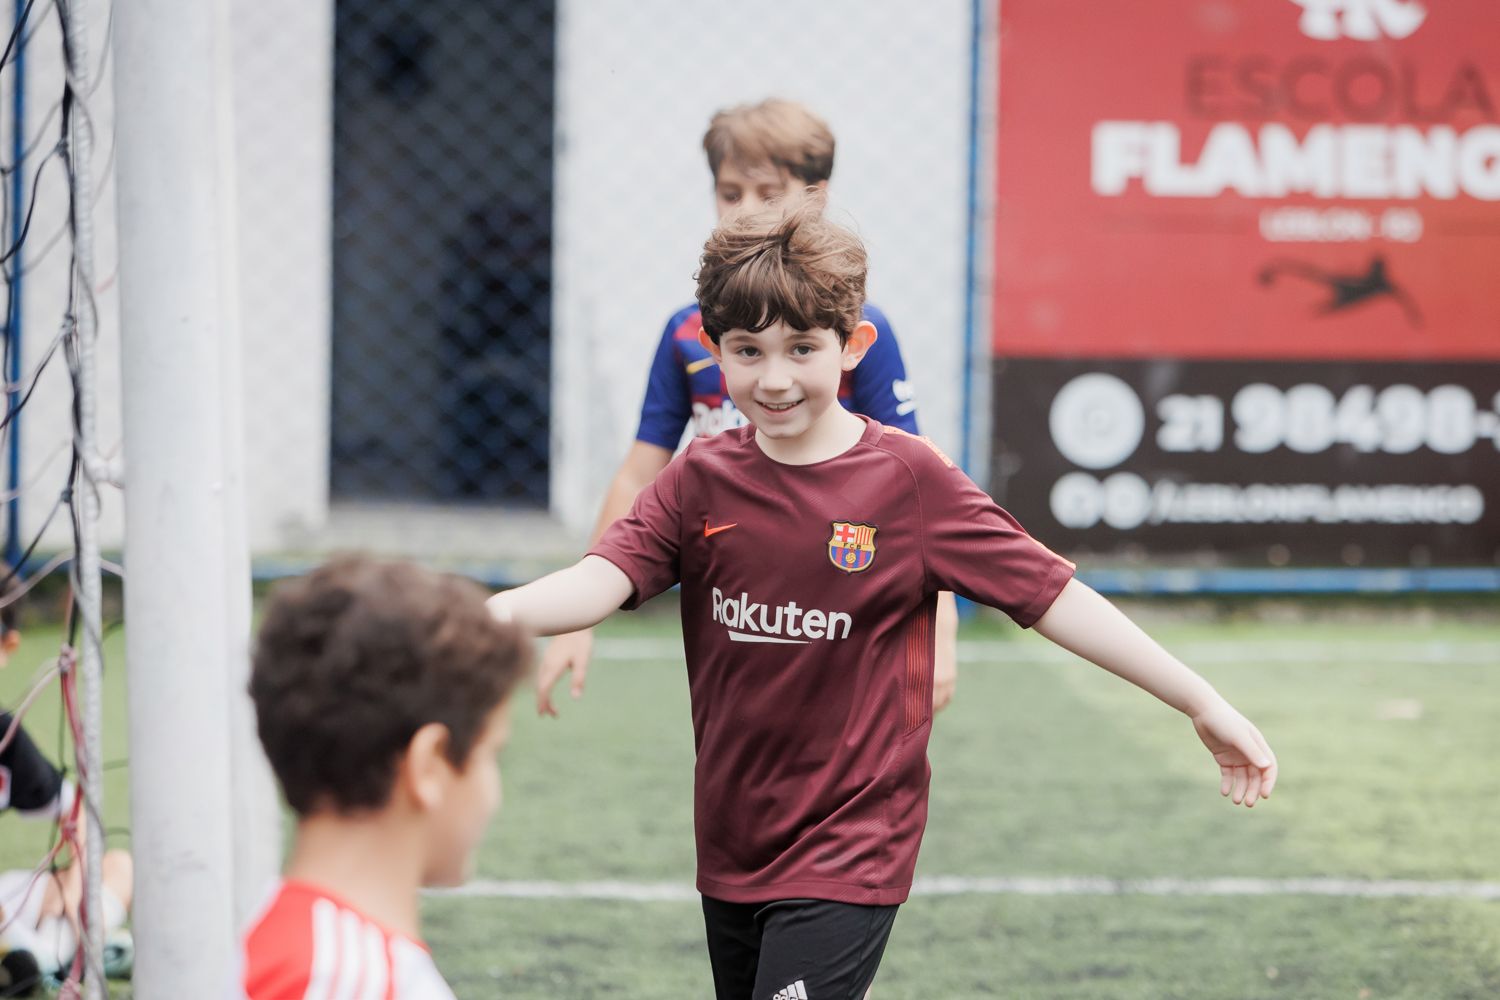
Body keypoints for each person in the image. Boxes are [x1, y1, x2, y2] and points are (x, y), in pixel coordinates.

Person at [488, 196, 1278, 1000]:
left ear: (852, 345)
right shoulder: (700, 477)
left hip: (851, 844)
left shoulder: (908, 480)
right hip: (730, 839)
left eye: (802, 348)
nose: (774, 377)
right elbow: (599, 579)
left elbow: (1050, 594)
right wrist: (476, 615)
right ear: (713, 351)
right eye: (747, 350)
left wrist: (1198, 700)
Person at [538, 98, 959, 718]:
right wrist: (580, 618)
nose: (746, 210)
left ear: (815, 196)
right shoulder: (688, 335)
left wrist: (940, 634)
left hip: (838, 593)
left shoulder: (850, 333)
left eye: (769, 192)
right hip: (735, 598)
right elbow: (637, 472)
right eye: (730, 192)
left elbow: (922, 485)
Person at [236, 556, 531, 999]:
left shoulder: (315, 950)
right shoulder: (346, 981)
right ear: (428, 765)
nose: (494, 794)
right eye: (491, 757)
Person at [0, 570, 133, 996]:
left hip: (7, 910)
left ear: (8, 646)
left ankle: (45, 955)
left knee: (117, 867)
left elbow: (76, 813)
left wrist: (74, 894)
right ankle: (67, 955)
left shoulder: (5, 734)